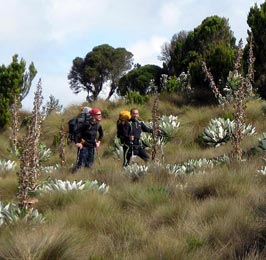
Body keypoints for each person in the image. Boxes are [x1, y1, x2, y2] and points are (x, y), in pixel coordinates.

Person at [73, 108, 104, 172]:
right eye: (98, 114)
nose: (100, 115)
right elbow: (76, 132)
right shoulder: (86, 124)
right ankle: (77, 176)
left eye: (100, 114)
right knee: (81, 164)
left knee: (90, 163)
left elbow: (101, 134)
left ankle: (87, 175)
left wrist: (98, 142)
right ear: (93, 115)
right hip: (83, 146)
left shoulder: (98, 124)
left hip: (92, 146)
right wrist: (77, 143)